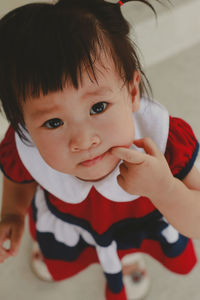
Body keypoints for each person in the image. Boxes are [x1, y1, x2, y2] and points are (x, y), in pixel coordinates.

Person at [0, 0, 200, 299]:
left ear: (132, 92)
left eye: (98, 106)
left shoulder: (162, 141)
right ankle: (72, 249)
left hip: (136, 221)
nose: (82, 140)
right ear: (24, 123)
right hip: (72, 222)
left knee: (129, 242)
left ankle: (126, 257)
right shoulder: (24, 144)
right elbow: (18, 180)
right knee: (69, 248)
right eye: (54, 122)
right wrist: (12, 212)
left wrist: (164, 189)